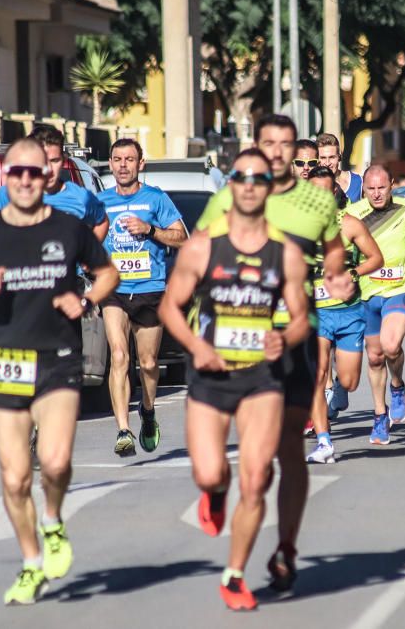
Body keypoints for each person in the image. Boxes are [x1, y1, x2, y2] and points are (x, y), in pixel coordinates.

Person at [0, 138, 119, 605]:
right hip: (6, 361)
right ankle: (31, 562)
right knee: (13, 477)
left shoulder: (68, 228)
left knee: (58, 461)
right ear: (5, 177)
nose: (25, 180)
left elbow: (107, 274)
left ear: (46, 176)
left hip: (57, 357)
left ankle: (52, 519)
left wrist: (85, 299)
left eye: (34, 172)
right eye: (16, 173)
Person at [196, 114, 352, 593]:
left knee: (288, 452)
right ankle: (217, 485)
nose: (282, 154)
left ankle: (285, 547)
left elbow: (333, 253)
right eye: (271, 143)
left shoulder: (317, 202)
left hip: (294, 337)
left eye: (290, 146)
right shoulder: (230, 196)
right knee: (248, 463)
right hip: (237, 336)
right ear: (257, 145)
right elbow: (200, 256)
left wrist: (336, 275)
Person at [158, 149, 310, 611]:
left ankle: (235, 573)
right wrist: (197, 345)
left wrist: (284, 338)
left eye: (258, 178)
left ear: (269, 187)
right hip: (209, 374)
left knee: (259, 476)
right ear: (230, 186)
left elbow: (302, 316)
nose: (248, 185)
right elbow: (170, 307)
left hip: (260, 377)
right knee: (209, 472)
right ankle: (215, 492)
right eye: (240, 177)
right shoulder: (204, 244)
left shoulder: (284, 252)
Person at [98, 139, 187, 456]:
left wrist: (150, 230)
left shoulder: (156, 199)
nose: (123, 165)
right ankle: (123, 430)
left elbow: (181, 238)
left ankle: (148, 411)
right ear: (110, 163)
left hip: (151, 288)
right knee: (120, 356)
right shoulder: (100, 201)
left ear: (141, 164)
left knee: (148, 364)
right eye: (118, 159)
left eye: (130, 159)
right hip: (114, 290)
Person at [305, 166, 384, 464]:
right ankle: (324, 441)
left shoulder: (350, 224)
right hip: (316, 313)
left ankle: (340, 386)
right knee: (316, 373)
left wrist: (353, 272)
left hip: (349, 312)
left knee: (349, 381)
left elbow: (377, 258)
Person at [344, 165, 405, 444]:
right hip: (367, 294)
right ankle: (380, 416)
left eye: (382, 188)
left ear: (392, 185)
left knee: (392, 346)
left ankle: (398, 385)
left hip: (399, 288)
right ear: (363, 189)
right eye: (370, 189)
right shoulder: (353, 215)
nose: (377, 194)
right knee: (375, 356)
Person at [0, 125, 108, 240]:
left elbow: (102, 222)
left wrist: (89, 258)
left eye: (54, 161)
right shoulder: (9, 194)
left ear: (63, 160)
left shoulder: (80, 197)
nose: (49, 169)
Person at [316, 133, 362, 204]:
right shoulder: (312, 186)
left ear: (339, 157)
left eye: (332, 157)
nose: (327, 163)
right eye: (323, 158)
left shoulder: (358, 182)